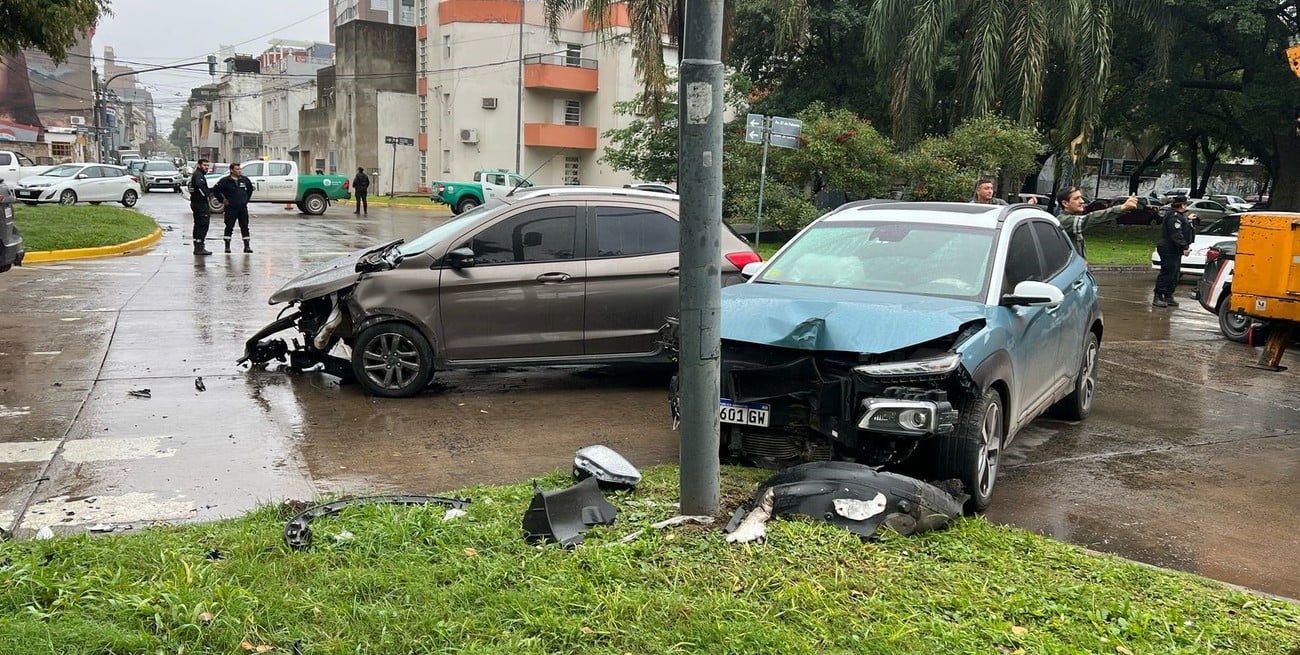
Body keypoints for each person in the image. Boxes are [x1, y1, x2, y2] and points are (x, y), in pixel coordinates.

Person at [1056, 186, 1138, 258]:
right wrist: (1121, 208)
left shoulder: (1071, 220)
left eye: (1081, 197)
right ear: (1065, 203)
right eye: (1076, 198)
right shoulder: (1063, 220)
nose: (1082, 201)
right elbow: (1091, 219)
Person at [1152, 195, 1196, 307]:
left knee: (1175, 274)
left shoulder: (1180, 216)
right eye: (1185, 204)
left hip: (1175, 249)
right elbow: (1176, 234)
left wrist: (1189, 220)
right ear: (1181, 205)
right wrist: (1185, 247)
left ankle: (1168, 295)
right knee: (1167, 272)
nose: (1187, 206)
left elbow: (1184, 228)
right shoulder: (1173, 217)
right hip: (1169, 249)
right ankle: (1158, 296)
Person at [213, 163, 255, 253]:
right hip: (231, 208)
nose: (239, 171)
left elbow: (250, 190)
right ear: (231, 170)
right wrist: (222, 200)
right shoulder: (224, 181)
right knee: (229, 227)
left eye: (240, 169)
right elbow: (216, 190)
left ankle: (247, 246)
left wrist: (246, 200)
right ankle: (227, 247)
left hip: (242, 208)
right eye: (237, 169)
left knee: (245, 226)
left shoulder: (244, 180)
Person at [189, 159, 213, 255]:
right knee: (203, 225)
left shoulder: (198, 174)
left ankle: (197, 246)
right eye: (204, 165)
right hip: (200, 204)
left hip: (196, 203)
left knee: (198, 225)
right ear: (199, 165)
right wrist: (206, 194)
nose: (206, 167)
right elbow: (199, 187)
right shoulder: (199, 175)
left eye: (208, 165)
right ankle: (199, 247)